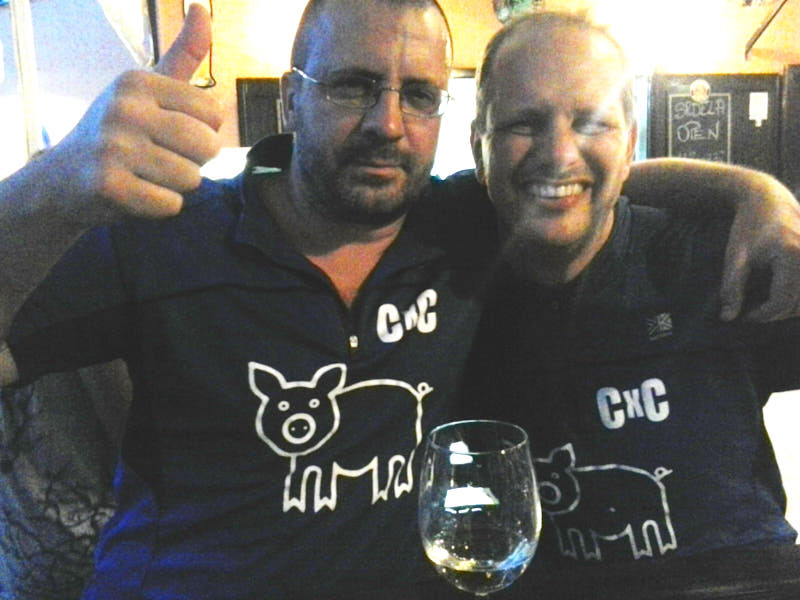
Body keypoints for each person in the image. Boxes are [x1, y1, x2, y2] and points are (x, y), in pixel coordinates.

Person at [0, 2, 799, 598]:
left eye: (419, 95)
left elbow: (573, 180)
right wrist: (45, 188)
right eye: (353, 85)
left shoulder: (460, 228)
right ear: (290, 99)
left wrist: (753, 193)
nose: (387, 122)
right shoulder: (165, 234)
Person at [464, 10, 800, 573]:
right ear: (479, 146)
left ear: (629, 146)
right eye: (524, 122)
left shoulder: (724, 256)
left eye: (593, 122)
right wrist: (753, 186)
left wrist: (761, 196)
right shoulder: (445, 266)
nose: (560, 153)